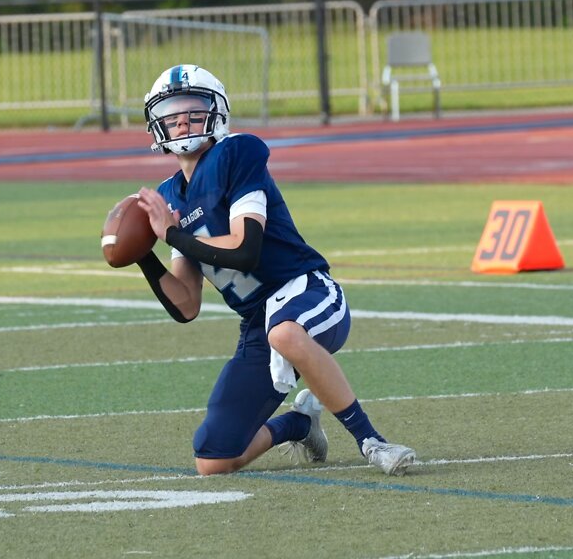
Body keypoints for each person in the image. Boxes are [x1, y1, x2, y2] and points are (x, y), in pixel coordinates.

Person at [131, 64, 417, 477]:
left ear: (216, 112)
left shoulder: (237, 153)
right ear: (158, 125)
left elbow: (245, 249)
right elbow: (186, 304)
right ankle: (298, 424)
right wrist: (143, 253)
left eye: (193, 111)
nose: (182, 122)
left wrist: (173, 235)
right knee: (214, 459)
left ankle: (371, 442)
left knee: (283, 331)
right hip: (256, 323)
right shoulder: (169, 193)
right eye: (172, 115)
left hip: (307, 291)